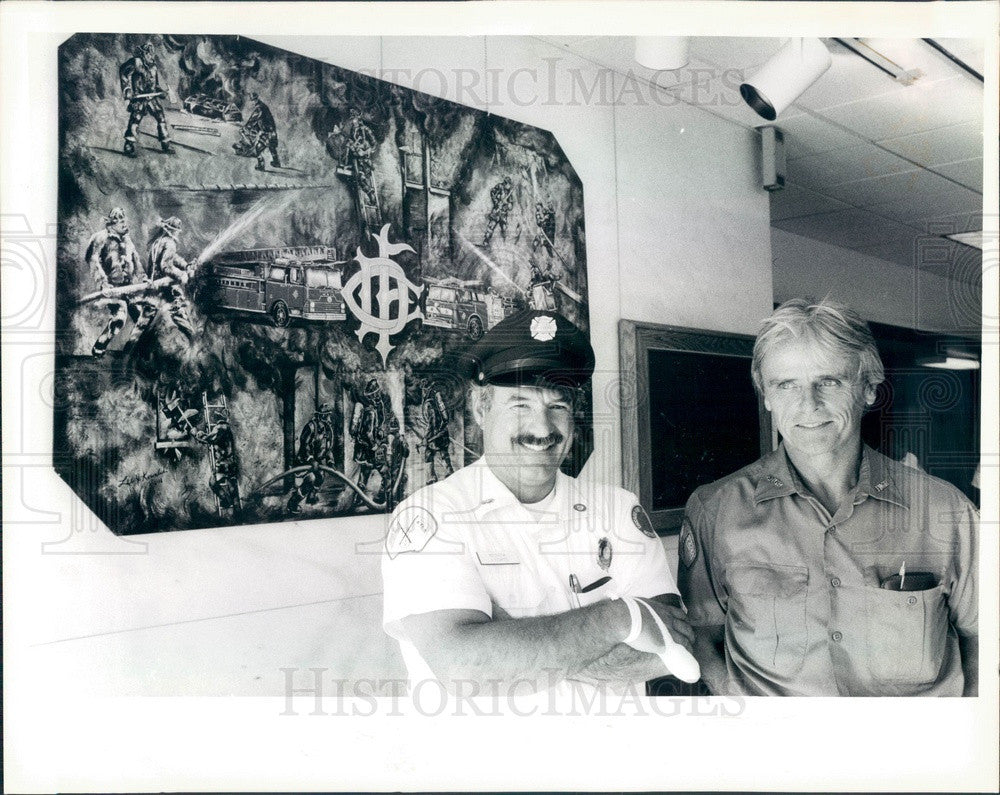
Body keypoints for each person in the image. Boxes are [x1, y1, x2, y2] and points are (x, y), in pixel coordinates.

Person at [381, 310, 698, 700]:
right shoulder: (430, 517)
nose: (543, 428)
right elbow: (466, 669)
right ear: (481, 409)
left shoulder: (617, 509)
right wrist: (616, 618)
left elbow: (674, 647)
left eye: (558, 406)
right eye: (520, 405)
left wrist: (513, 643)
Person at [679, 298, 979, 697]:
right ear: (766, 396)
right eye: (785, 385)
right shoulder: (715, 511)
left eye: (829, 381)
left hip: (913, 754)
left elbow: (983, 640)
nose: (808, 405)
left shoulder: (947, 511)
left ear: (869, 389)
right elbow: (702, 637)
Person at [85, 207, 155, 357]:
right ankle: (99, 347)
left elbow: (136, 261)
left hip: (129, 288)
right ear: (113, 223)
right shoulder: (101, 238)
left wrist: (143, 279)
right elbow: (93, 260)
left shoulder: (127, 241)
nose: (125, 224)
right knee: (119, 318)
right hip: (112, 288)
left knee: (142, 316)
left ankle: (134, 351)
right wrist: (103, 283)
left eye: (125, 220)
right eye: (121, 221)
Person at [119, 41, 172, 157]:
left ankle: (165, 142)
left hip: (152, 97)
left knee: (160, 116)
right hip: (139, 97)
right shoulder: (136, 62)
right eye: (148, 53)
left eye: (152, 53)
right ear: (143, 53)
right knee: (135, 119)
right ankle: (129, 145)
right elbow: (123, 72)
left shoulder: (153, 67)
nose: (150, 56)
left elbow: (155, 84)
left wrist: (161, 92)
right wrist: (127, 89)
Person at [147, 216, 196, 342]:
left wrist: (186, 265)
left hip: (153, 285)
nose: (177, 233)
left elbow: (172, 258)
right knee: (179, 310)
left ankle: (128, 352)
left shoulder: (159, 241)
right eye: (177, 231)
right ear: (173, 230)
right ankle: (194, 341)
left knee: (146, 318)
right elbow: (166, 266)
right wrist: (182, 275)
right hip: (165, 286)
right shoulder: (170, 243)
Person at [287, 403, 335, 515]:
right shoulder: (311, 427)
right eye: (325, 416)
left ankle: (312, 496)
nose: (327, 418)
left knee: (320, 477)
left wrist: (330, 461)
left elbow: (328, 448)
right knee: (311, 479)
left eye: (328, 415)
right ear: (319, 416)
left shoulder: (328, 430)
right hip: (304, 461)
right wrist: (311, 459)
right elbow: (305, 444)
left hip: (317, 463)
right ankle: (293, 503)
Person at [235, 92, 280, 172]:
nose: (251, 102)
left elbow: (253, 119)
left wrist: (245, 128)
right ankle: (276, 162)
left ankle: (261, 165)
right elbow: (262, 120)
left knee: (257, 149)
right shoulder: (264, 107)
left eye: (252, 100)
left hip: (266, 132)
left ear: (254, 100)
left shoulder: (259, 108)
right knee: (272, 146)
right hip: (272, 131)